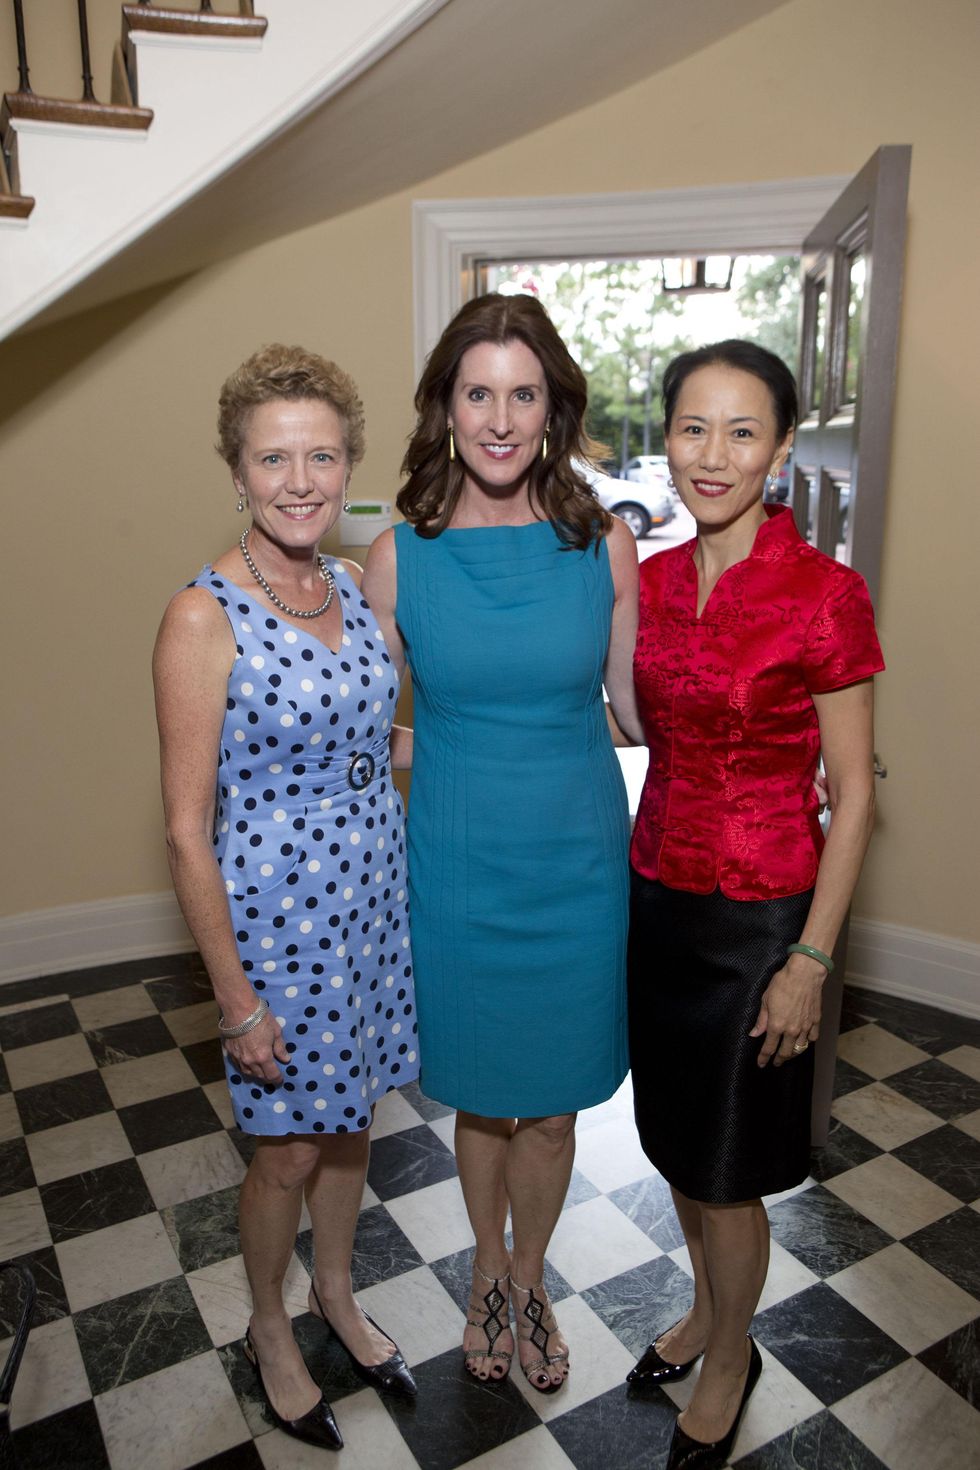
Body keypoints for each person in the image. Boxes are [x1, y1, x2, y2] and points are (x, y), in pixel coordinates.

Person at [363, 293, 640, 1392]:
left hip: (575, 863)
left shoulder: (602, 543)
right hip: (458, 862)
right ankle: (487, 1269)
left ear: (551, 410)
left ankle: (531, 1278)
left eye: (522, 393)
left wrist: (760, 747)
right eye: (477, 392)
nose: (499, 416)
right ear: (445, 407)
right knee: (481, 1094)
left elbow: (632, 710)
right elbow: (367, 731)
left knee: (555, 1097)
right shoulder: (399, 559)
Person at [153, 345, 419, 1452]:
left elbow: (369, 742)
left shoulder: (351, 588)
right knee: (288, 1151)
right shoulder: (201, 618)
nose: (299, 479)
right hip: (274, 933)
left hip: (365, 911)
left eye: (320, 454)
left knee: (350, 1128)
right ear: (237, 472)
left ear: (348, 462)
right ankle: (268, 1322)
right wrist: (234, 1000)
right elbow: (183, 826)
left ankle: (336, 1291)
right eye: (274, 458)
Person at [625, 341, 883, 1468]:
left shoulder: (823, 596)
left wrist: (808, 962)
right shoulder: (653, 580)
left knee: (728, 1173)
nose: (712, 453)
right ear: (665, 439)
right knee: (681, 1150)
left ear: (780, 448)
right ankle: (703, 1314)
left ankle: (733, 1353)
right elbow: (641, 729)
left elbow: (857, 794)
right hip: (657, 903)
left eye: (740, 431)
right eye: (691, 427)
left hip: (761, 922)